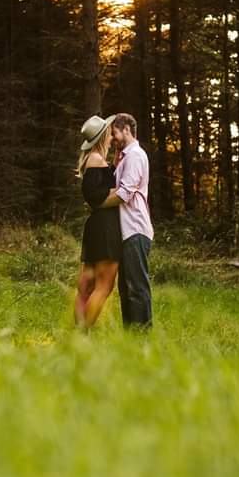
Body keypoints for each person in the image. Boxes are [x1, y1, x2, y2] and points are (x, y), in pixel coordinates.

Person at [99, 113, 153, 328]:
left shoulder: (135, 156)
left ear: (126, 130)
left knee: (136, 287)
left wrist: (97, 204)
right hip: (126, 231)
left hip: (135, 229)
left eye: (114, 133)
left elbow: (124, 194)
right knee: (126, 287)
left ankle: (143, 336)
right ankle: (131, 337)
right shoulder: (124, 157)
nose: (112, 139)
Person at [74, 114, 122, 329]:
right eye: (109, 134)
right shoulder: (95, 159)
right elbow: (94, 196)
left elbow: (98, 188)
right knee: (104, 286)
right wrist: (123, 192)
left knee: (86, 287)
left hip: (97, 226)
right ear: (102, 136)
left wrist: (115, 163)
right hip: (105, 227)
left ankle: (78, 334)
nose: (112, 137)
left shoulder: (94, 159)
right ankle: (82, 334)